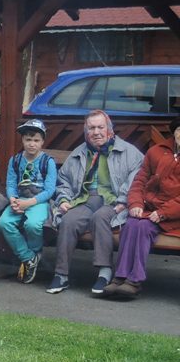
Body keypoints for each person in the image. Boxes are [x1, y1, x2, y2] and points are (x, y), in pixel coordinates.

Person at [46, 109, 143, 295]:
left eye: (100, 127)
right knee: (68, 220)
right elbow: (63, 179)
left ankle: (104, 273)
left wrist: (124, 201)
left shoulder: (129, 152)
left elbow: (137, 179)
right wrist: (64, 199)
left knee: (100, 218)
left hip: (113, 201)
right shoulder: (79, 153)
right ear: (86, 131)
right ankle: (61, 274)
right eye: (91, 128)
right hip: (84, 199)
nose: (96, 132)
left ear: (109, 129)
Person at [102, 116, 180, 299]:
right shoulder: (156, 151)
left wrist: (163, 213)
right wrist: (136, 203)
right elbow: (139, 181)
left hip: (173, 215)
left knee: (143, 227)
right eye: (179, 130)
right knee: (131, 224)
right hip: (149, 209)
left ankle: (134, 281)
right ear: (174, 131)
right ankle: (120, 277)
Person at [0, 118, 57, 284]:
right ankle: (29, 257)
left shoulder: (48, 162)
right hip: (19, 200)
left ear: (42, 141)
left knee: (33, 224)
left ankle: (35, 252)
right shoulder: (15, 160)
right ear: (22, 140)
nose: (32, 144)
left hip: (38, 201)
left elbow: (49, 190)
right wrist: (13, 199)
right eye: (28, 139)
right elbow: (11, 184)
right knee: (4, 223)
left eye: (36, 140)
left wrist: (29, 203)